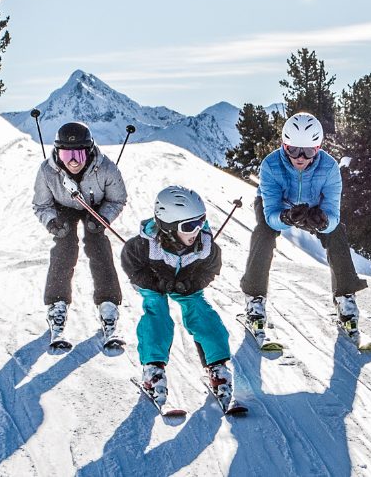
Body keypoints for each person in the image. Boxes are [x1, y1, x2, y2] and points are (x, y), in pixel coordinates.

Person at [238, 112, 369, 329]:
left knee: (336, 233)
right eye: (293, 150)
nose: (300, 157)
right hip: (279, 207)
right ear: (284, 145)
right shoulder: (271, 165)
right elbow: (271, 215)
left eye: (308, 151)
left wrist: (324, 221)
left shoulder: (329, 168)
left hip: (314, 206)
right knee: (263, 233)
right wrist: (285, 217)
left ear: (317, 149)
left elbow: (334, 214)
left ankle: (345, 297)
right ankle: (254, 299)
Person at [119, 186, 234, 403]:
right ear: (169, 226)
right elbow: (131, 265)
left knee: (201, 312)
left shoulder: (206, 245)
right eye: (190, 226)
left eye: (201, 222)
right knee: (157, 311)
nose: (197, 230)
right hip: (155, 285)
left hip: (186, 285)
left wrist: (191, 283)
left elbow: (211, 269)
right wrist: (154, 282)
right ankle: (153, 368)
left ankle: (217, 366)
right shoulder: (145, 244)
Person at [30, 121, 128, 347]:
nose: (73, 161)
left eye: (79, 155)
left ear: (89, 151)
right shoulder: (47, 170)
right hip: (63, 207)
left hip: (95, 206)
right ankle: (57, 305)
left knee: (99, 247)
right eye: (66, 155)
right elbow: (41, 204)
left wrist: (103, 218)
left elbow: (117, 198)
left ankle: (108, 305)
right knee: (64, 247)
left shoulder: (105, 168)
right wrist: (52, 222)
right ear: (57, 153)